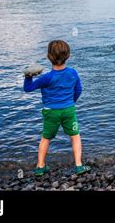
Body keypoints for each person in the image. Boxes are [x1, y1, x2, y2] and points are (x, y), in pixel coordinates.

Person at [23, 40, 90, 176]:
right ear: (68, 56)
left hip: (50, 112)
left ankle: (40, 167)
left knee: (46, 138)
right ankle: (78, 165)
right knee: (75, 136)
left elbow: (28, 89)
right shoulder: (73, 73)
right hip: (68, 110)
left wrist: (28, 76)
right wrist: (71, 102)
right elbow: (79, 89)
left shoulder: (46, 78)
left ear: (49, 56)